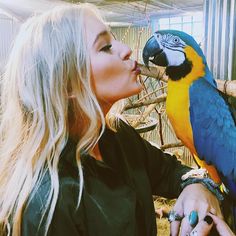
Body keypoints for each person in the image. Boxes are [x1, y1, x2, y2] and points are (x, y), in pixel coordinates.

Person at [0, 3, 232, 236]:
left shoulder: (118, 135)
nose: (126, 49)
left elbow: (171, 171)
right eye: (106, 47)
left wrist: (195, 185)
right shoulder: (46, 204)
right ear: (68, 82)